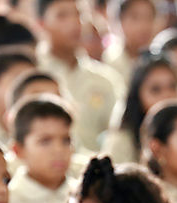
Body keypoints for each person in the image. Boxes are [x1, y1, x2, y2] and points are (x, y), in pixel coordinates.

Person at [35, 0, 124, 152]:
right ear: (41, 24)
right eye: (62, 15)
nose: (74, 23)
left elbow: (118, 134)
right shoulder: (32, 73)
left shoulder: (105, 80)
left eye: (79, 14)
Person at [4, 95, 76, 203]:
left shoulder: (84, 198)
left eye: (66, 140)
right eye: (45, 141)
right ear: (18, 150)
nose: (59, 150)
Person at [101, 53, 177, 164]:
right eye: (156, 89)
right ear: (138, 95)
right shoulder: (122, 140)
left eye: (173, 86)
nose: (167, 96)